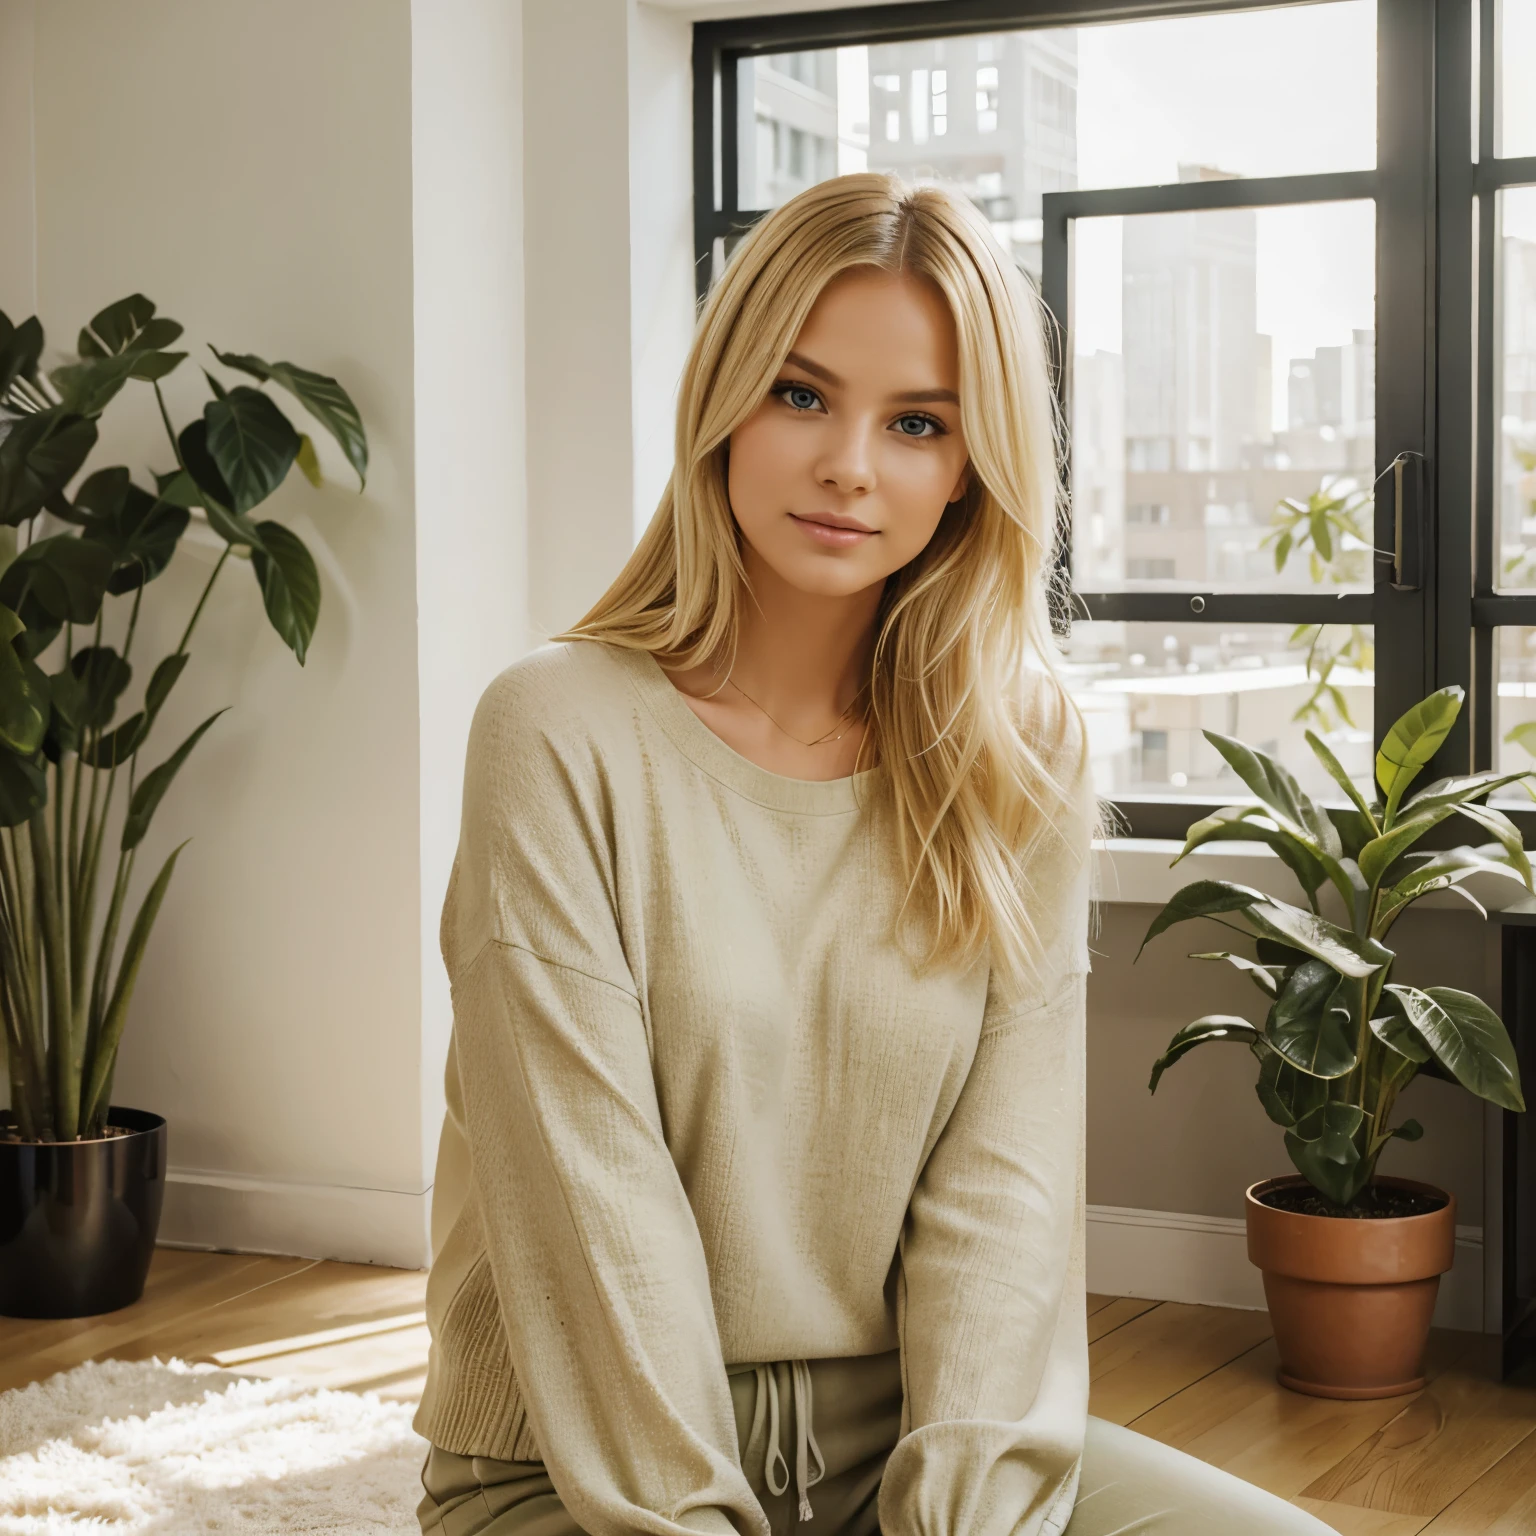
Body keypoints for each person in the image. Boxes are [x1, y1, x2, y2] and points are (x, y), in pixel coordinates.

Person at [411, 173, 1331, 1536]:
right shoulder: (556, 731)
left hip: (894, 1441)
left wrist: (958, 1515)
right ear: (723, 401)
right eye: (801, 394)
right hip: (582, 1465)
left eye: (916, 423)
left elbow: (999, 1201)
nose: (851, 463)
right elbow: (592, 1211)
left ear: (970, 470)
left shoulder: (1013, 754)